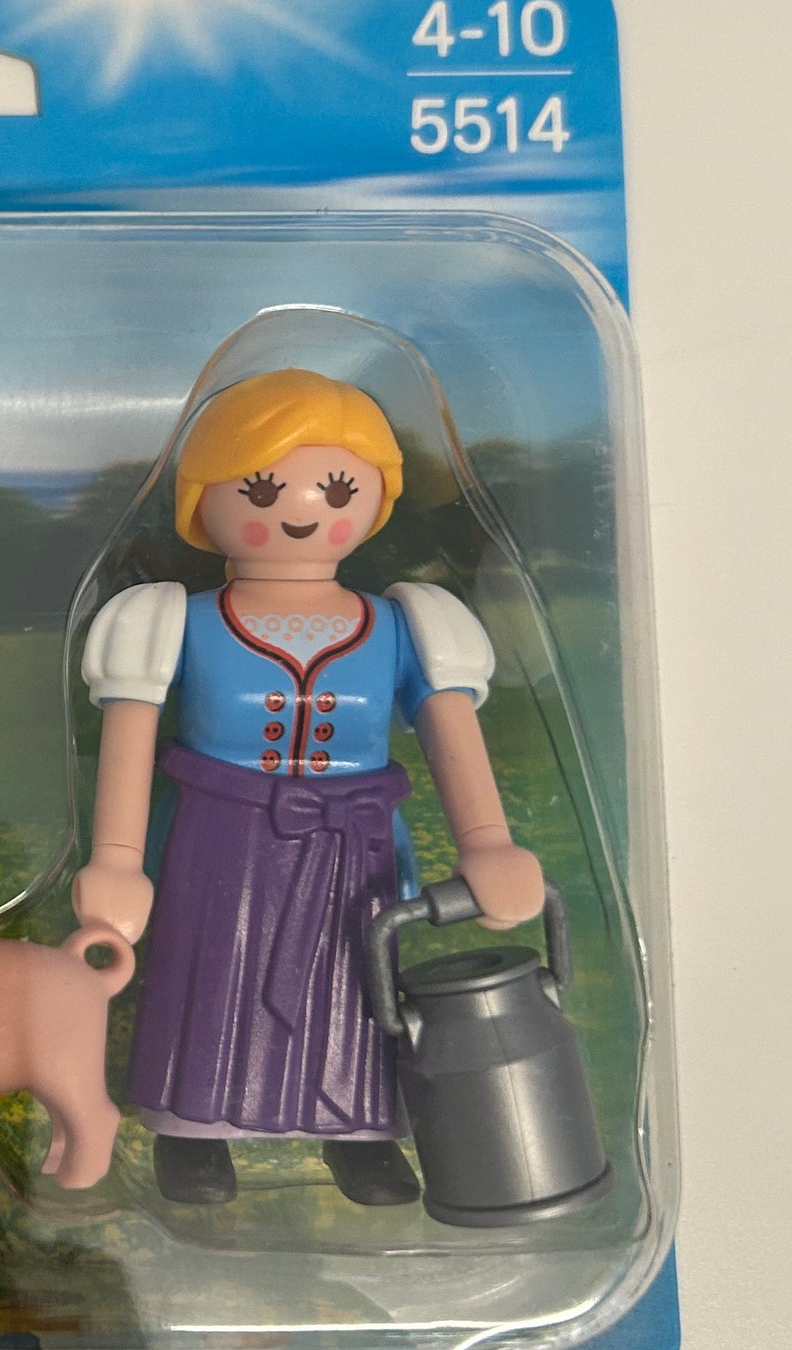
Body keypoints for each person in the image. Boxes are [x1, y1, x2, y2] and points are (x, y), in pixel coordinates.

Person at [72, 368, 543, 1207]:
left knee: (358, 975)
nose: (302, 508)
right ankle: (195, 1130)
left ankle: (357, 1131)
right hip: (219, 836)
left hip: (355, 843)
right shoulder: (176, 620)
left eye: (339, 487)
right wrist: (116, 859)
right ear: (203, 497)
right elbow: (130, 736)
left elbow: (451, 733)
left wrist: (489, 844)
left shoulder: (405, 624)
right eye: (259, 487)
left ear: (377, 498)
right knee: (212, 972)